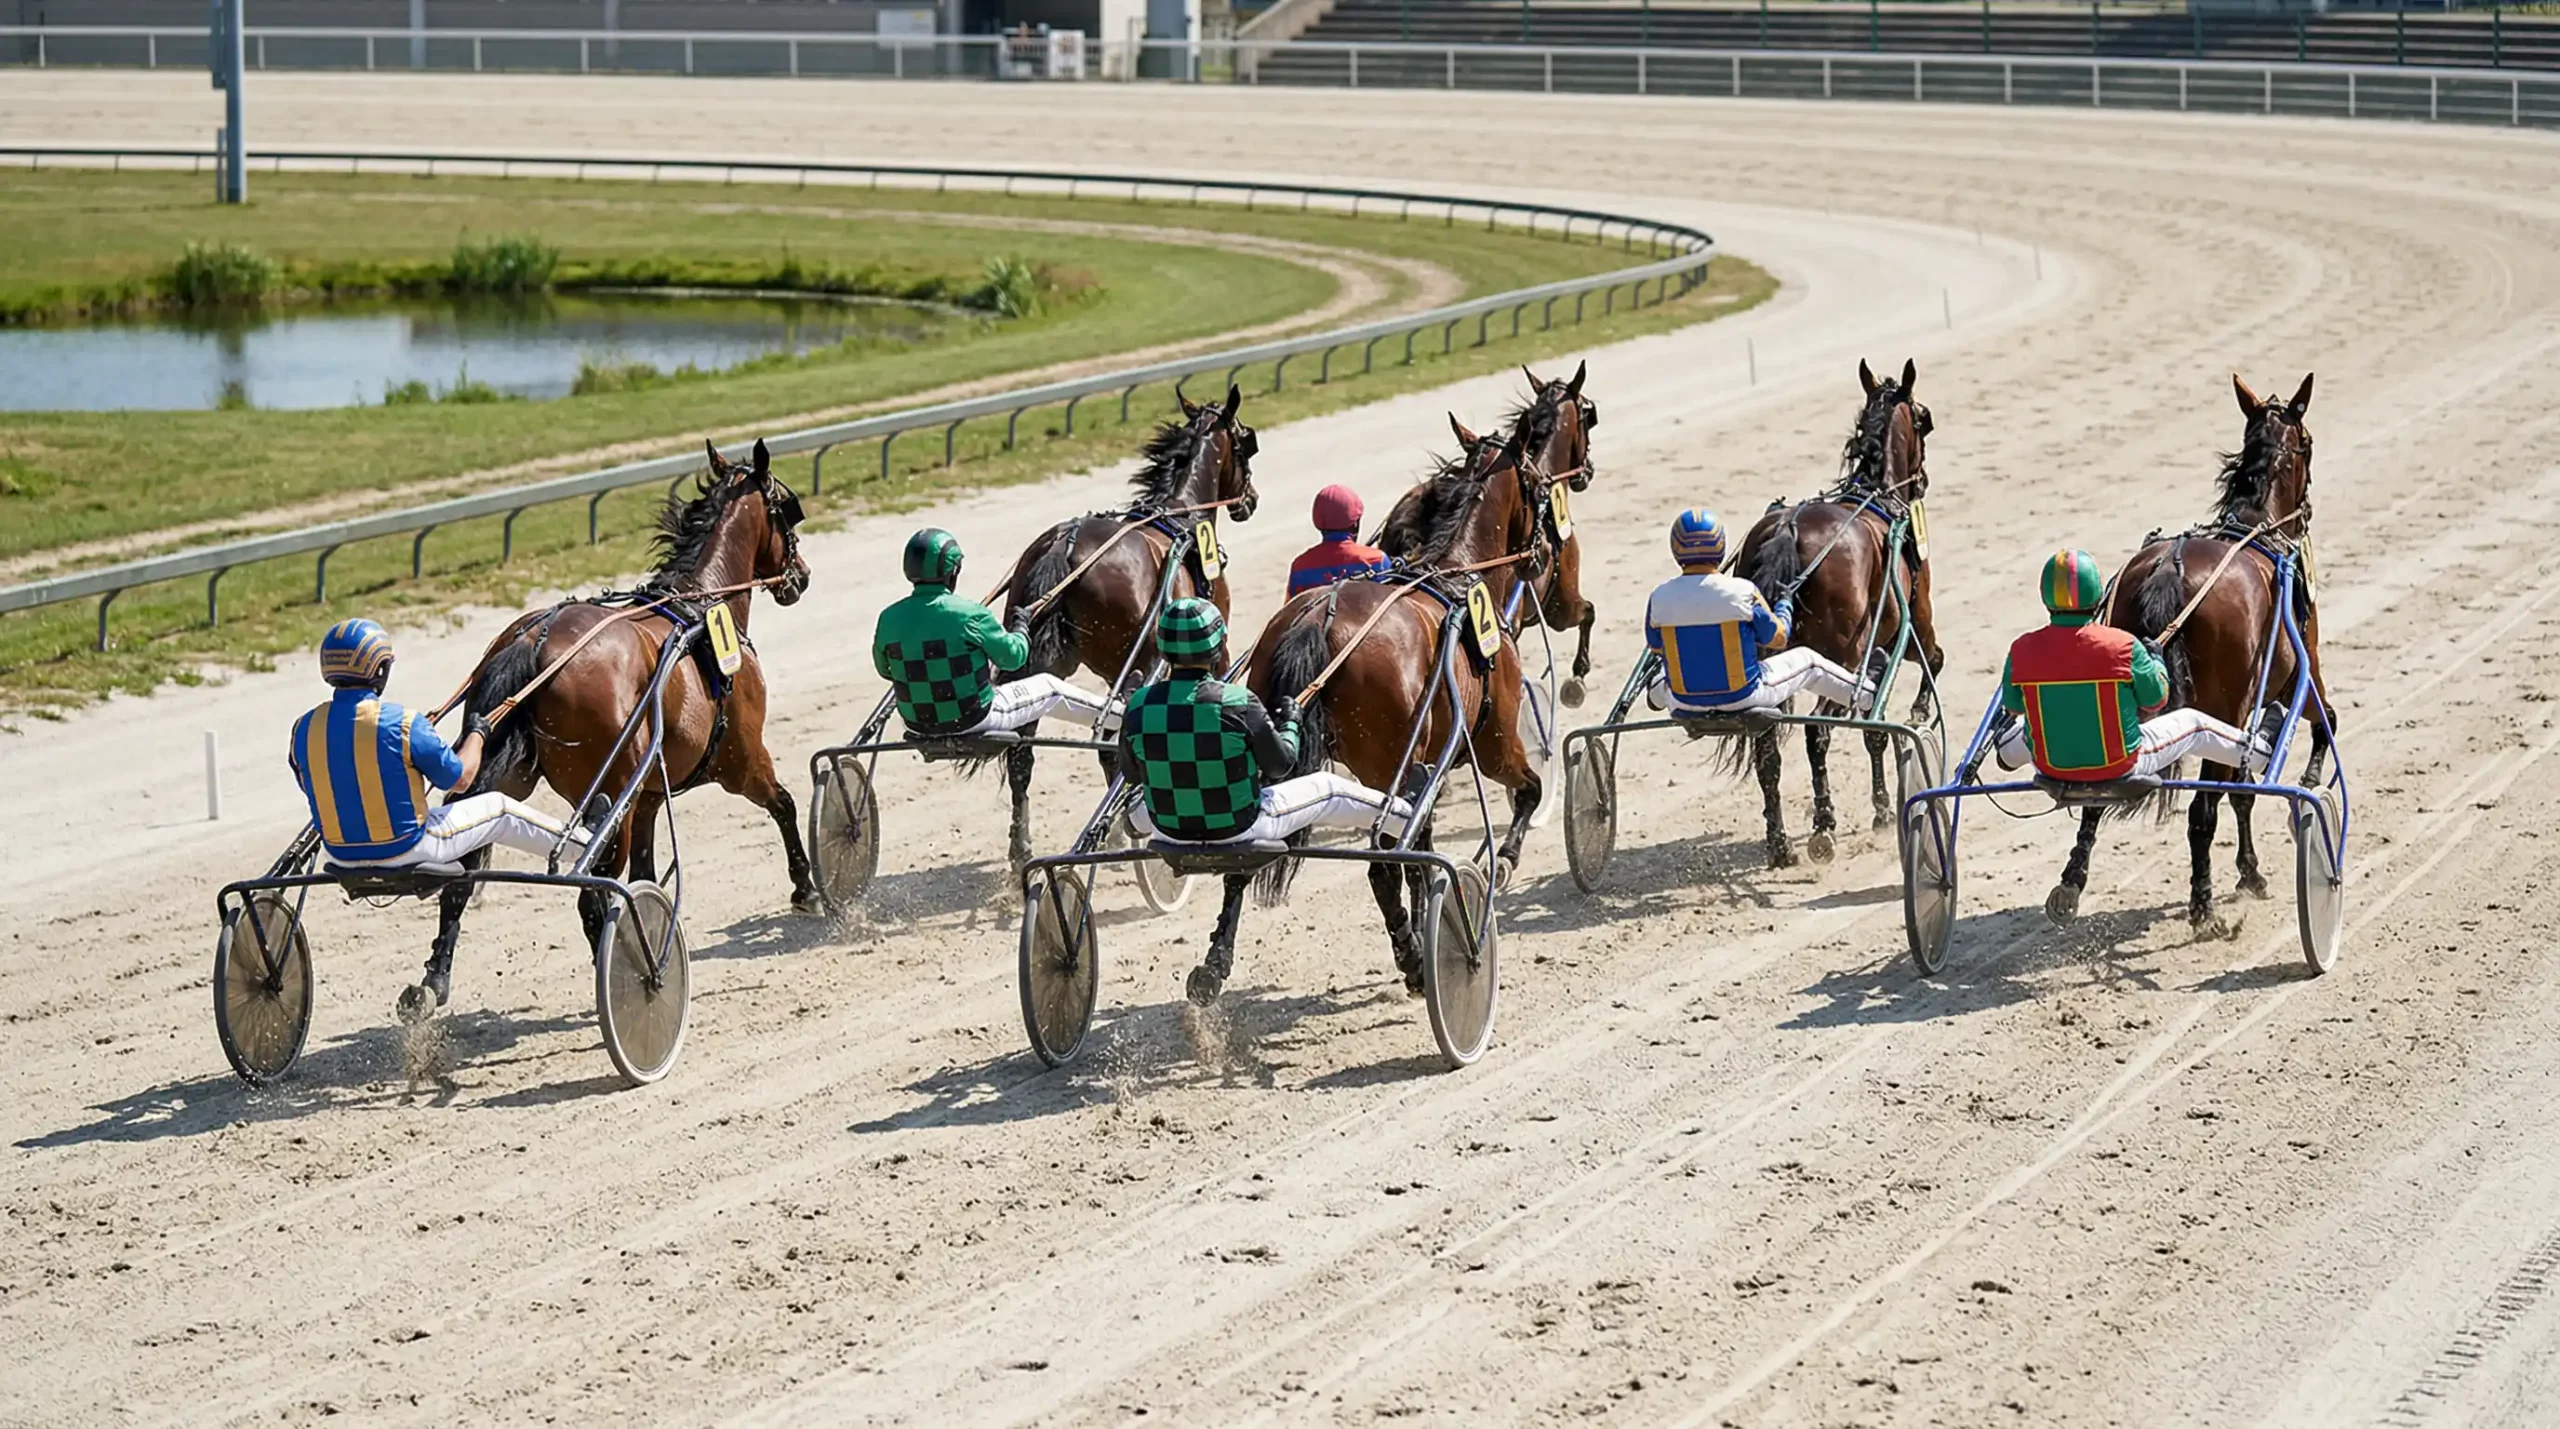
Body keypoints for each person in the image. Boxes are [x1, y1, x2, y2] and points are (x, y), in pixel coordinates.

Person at [1118, 597, 1411, 844]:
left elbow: (1132, 775)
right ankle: (1406, 815)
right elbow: (1280, 765)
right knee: (1330, 788)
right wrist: (1292, 723)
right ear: (1217, 647)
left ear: (1163, 647)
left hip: (1167, 832)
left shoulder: (1138, 704)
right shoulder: (1239, 702)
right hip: (1241, 828)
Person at [290, 618, 572, 870]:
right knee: (499, 808)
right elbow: (460, 780)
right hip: (408, 847)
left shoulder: (303, 728)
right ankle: (584, 845)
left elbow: (312, 785)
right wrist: (478, 734)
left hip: (339, 855)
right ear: (379, 670)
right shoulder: (403, 723)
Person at [1988, 549, 2266, 781]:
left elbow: (2013, 708)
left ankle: (2007, 754)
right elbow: (2155, 700)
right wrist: (2156, 659)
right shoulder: (2123, 645)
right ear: (2096, 594)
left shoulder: (2021, 649)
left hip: (2050, 766)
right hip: (2120, 764)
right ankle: (2260, 754)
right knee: (2194, 724)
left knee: (2037, 726)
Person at [872, 527, 1115, 737]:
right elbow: (1013, 659)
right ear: (952, 572)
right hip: (975, 719)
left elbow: (886, 670)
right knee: (1050, 686)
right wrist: (1021, 627)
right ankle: (1122, 717)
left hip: (916, 725)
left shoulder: (887, 617)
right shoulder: (970, 615)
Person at [1642, 509, 1872, 716]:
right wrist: (1784, 603)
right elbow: (1777, 639)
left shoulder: (1658, 596)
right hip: (1743, 696)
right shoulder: (1743, 591)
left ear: (1676, 549)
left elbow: (1657, 646)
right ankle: (1867, 695)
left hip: (1682, 701)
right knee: (1809, 661)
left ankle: (1655, 696)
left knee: (1668, 668)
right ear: (1719, 546)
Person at [1286, 484, 1393, 597]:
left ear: (1318, 523)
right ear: (1356, 523)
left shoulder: (1299, 567)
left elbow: (1289, 611)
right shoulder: (1377, 560)